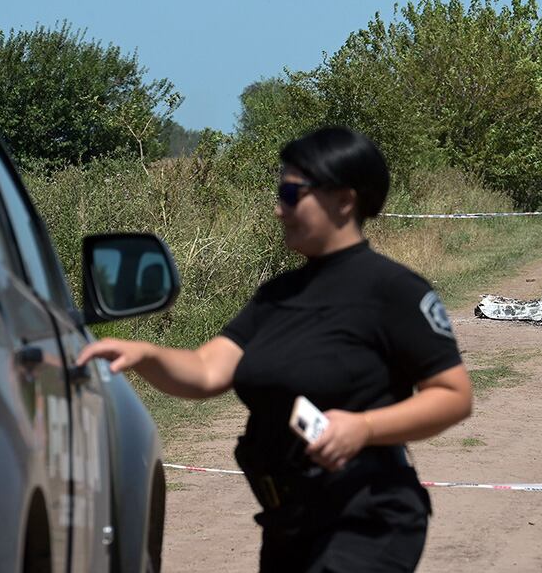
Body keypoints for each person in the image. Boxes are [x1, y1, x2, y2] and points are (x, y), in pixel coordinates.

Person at [77, 126, 472, 572]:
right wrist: (145, 355)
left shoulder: (394, 291)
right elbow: (208, 370)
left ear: (344, 199)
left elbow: (453, 395)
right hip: (290, 522)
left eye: (290, 192)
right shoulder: (278, 294)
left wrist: (363, 427)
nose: (278, 208)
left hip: (366, 518)